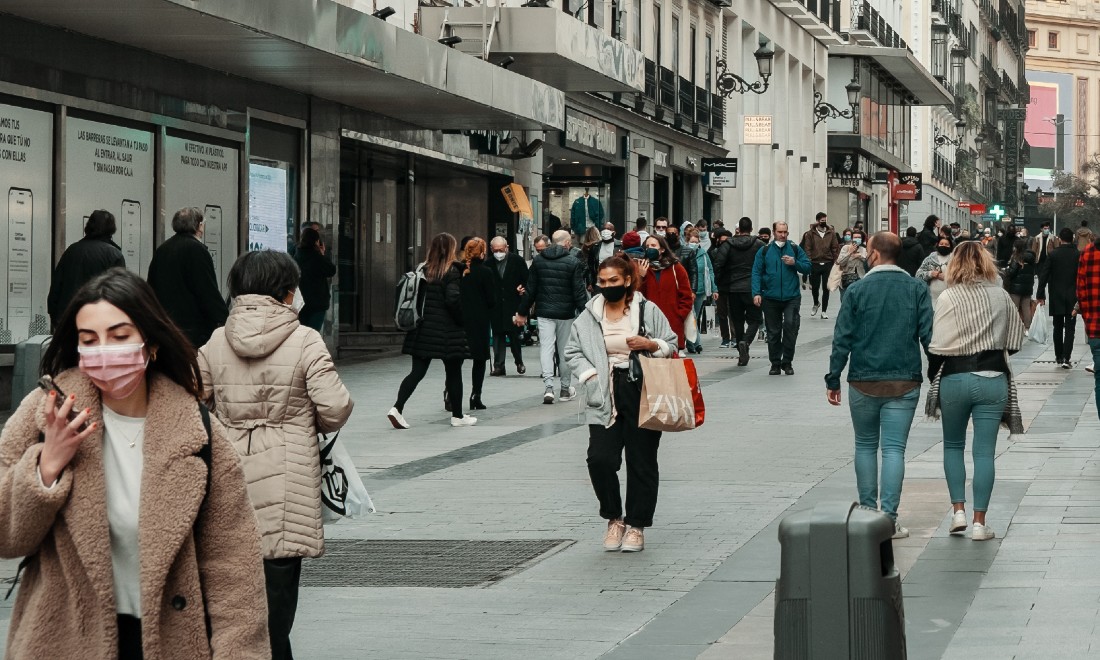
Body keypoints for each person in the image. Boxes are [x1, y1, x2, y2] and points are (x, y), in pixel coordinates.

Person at [0, 268, 269, 658]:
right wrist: (47, 467)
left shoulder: (200, 437)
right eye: (89, 340)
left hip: (169, 641)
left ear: (151, 342)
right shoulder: (46, 415)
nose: (104, 350)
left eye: (120, 335)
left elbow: (235, 575)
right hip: (64, 642)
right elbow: (8, 538)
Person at [197, 251, 353, 659]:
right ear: (287, 292)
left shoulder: (215, 341)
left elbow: (190, 401)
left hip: (228, 482)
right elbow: (335, 407)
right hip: (288, 484)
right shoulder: (305, 340)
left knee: (230, 609)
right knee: (275, 616)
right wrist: (301, 422)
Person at [564, 255, 678, 553]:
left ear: (627, 280)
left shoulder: (646, 310)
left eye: (613, 281)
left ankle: (636, 526)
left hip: (642, 390)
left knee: (641, 462)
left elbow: (672, 342)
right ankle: (614, 517)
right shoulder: (589, 315)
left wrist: (651, 345)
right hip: (603, 392)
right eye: (602, 281)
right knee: (599, 459)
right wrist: (589, 377)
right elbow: (573, 351)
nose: (606, 286)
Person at [826, 232, 933, 539]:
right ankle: (889, 518)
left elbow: (842, 337)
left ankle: (867, 514)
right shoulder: (916, 288)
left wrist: (834, 377)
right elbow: (928, 335)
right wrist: (937, 372)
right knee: (894, 450)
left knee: (864, 445)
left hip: (863, 379)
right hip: (904, 378)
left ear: (873, 254)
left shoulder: (857, 290)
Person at [926, 242, 1026, 541]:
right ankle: (980, 523)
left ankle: (957, 511)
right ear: (987, 263)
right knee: (984, 453)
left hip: (955, 377)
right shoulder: (1001, 296)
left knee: (953, 446)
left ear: (954, 265)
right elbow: (1018, 338)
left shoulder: (948, 296)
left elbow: (937, 345)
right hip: (993, 376)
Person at [388, 233, 475, 428]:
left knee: (416, 372)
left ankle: (397, 408)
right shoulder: (453, 271)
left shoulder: (422, 269)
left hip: (422, 328)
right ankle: (458, 416)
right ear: (452, 249)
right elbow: (452, 300)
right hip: (447, 330)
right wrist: (463, 320)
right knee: (453, 372)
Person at [516, 230, 588, 404]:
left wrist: (522, 312)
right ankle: (565, 389)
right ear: (568, 243)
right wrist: (586, 314)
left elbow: (530, 289)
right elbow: (578, 292)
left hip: (545, 312)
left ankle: (548, 387)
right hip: (566, 313)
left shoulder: (539, 261)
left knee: (546, 348)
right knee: (565, 351)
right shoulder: (573, 262)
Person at [147, 207, 229, 348]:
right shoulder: (197, 250)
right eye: (203, 223)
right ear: (198, 226)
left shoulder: (162, 250)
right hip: (191, 333)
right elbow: (206, 290)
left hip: (165, 329)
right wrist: (224, 318)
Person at [47, 210, 127, 330]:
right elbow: (118, 294)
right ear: (111, 229)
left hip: (67, 320)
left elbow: (56, 288)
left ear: (88, 227)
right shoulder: (114, 255)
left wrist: (55, 317)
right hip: (98, 322)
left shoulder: (71, 251)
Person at [752, 221, 811, 375]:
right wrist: (756, 293)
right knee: (773, 332)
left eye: (785, 232)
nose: (783, 235)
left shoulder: (794, 248)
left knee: (791, 327)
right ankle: (775, 363)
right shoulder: (764, 251)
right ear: (774, 232)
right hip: (770, 296)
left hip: (791, 296)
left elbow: (808, 266)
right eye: (780, 232)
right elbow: (756, 272)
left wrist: (795, 263)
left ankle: (788, 362)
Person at [711, 217, 763, 364]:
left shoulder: (728, 244)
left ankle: (741, 352)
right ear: (751, 229)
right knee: (756, 319)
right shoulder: (759, 244)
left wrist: (721, 282)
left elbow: (718, 263)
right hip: (752, 288)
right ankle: (745, 342)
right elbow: (764, 265)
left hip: (733, 288)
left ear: (738, 229)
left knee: (737, 320)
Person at [636, 234, 694, 352]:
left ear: (662, 249)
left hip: (672, 322)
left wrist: (679, 315)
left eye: (653, 245)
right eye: (647, 246)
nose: (650, 248)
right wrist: (641, 277)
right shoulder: (642, 267)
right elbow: (637, 297)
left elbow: (686, 296)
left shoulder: (675, 268)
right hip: (649, 323)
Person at [459, 238, 496, 410]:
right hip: (480, 320)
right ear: (482, 252)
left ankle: (449, 393)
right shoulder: (486, 272)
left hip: (459, 319)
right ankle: (476, 395)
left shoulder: (459, 270)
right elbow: (491, 300)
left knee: (456, 359)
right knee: (479, 360)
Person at [1037, 228, 1081, 368]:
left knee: (1057, 327)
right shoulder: (1078, 255)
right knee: (1070, 328)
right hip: (1073, 295)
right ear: (1072, 238)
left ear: (1060, 239)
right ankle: (1067, 358)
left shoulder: (1053, 254)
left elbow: (1044, 275)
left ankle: (1058, 356)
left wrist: (1040, 294)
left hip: (1056, 295)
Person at [488, 237, 529, 377]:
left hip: (513, 304)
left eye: (501, 250)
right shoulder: (488, 263)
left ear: (507, 247)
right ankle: (498, 366)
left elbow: (527, 280)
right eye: (496, 250)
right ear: (491, 249)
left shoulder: (517, 261)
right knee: (498, 336)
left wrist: (522, 288)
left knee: (514, 335)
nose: (498, 252)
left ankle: (519, 361)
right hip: (496, 305)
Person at [294, 226, 337, 331]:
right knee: (313, 333)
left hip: (300, 302)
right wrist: (322, 254)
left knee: (301, 333)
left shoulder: (296, 255)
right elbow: (331, 270)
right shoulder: (317, 258)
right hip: (317, 303)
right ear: (316, 242)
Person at [800, 212, 840, 318]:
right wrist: (808, 261)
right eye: (822, 220)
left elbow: (835, 248)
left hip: (828, 262)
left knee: (826, 287)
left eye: (825, 220)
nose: (824, 222)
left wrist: (835, 261)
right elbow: (807, 248)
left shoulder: (831, 233)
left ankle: (824, 311)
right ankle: (816, 303)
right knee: (815, 287)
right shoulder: (810, 234)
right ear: (817, 221)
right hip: (815, 262)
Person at [1077, 235, 1100, 416]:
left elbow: (1081, 293)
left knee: (1099, 378)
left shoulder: (1087, 253)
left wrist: (1088, 318)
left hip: (1095, 328)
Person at [684, 228, 715, 354]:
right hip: (688, 290)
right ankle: (697, 343)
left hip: (701, 290)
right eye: (692, 241)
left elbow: (710, 271)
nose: (694, 244)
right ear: (687, 241)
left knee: (695, 316)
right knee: (693, 317)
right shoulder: (684, 253)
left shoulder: (703, 253)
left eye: (696, 242)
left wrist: (714, 288)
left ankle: (690, 343)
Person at [1004, 238, 1037, 329]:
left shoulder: (1017, 258)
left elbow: (1011, 272)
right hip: (1028, 287)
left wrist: (1006, 270)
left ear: (1016, 247)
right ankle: (1027, 328)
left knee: (1015, 308)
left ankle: (1014, 328)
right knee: (1026, 308)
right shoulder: (1031, 258)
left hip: (1016, 288)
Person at [917, 236, 954, 308]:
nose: (944, 246)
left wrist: (948, 277)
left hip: (950, 300)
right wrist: (930, 274)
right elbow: (918, 275)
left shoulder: (955, 260)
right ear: (937, 245)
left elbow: (962, 277)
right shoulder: (929, 259)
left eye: (946, 244)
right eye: (941, 244)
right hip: (932, 300)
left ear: (950, 246)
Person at [836, 229, 869, 302]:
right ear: (852, 239)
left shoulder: (864, 250)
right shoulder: (845, 248)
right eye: (855, 237)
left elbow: (868, 263)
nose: (857, 239)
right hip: (846, 279)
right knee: (845, 302)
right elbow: (840, 262)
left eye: (859, 237)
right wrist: (849, 253)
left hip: (860, 279)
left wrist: (860, 256)